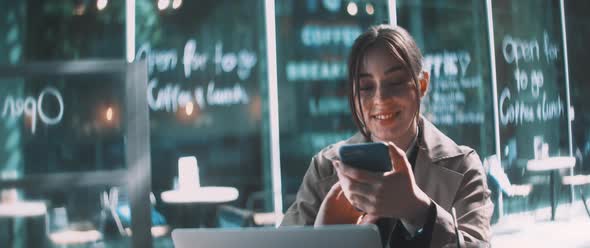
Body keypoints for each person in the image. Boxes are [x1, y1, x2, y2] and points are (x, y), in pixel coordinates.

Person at [280, 25, 493, 248]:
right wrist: (324, 239)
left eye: (395, 82)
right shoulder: (324, 169)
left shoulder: (462, 166)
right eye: (366, 86)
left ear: (422, 84)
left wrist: (419, 210)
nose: (381, 98)